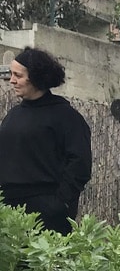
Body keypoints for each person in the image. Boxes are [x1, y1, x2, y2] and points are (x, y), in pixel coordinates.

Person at [0, 47, 92, 235]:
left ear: (36, 77)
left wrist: (60, 203)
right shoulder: (13, 115)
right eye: (11, 74)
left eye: (18, 75)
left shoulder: (66, 117)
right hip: (9, 210)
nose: (12, 80)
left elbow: (80, 164)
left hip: (47, 213)